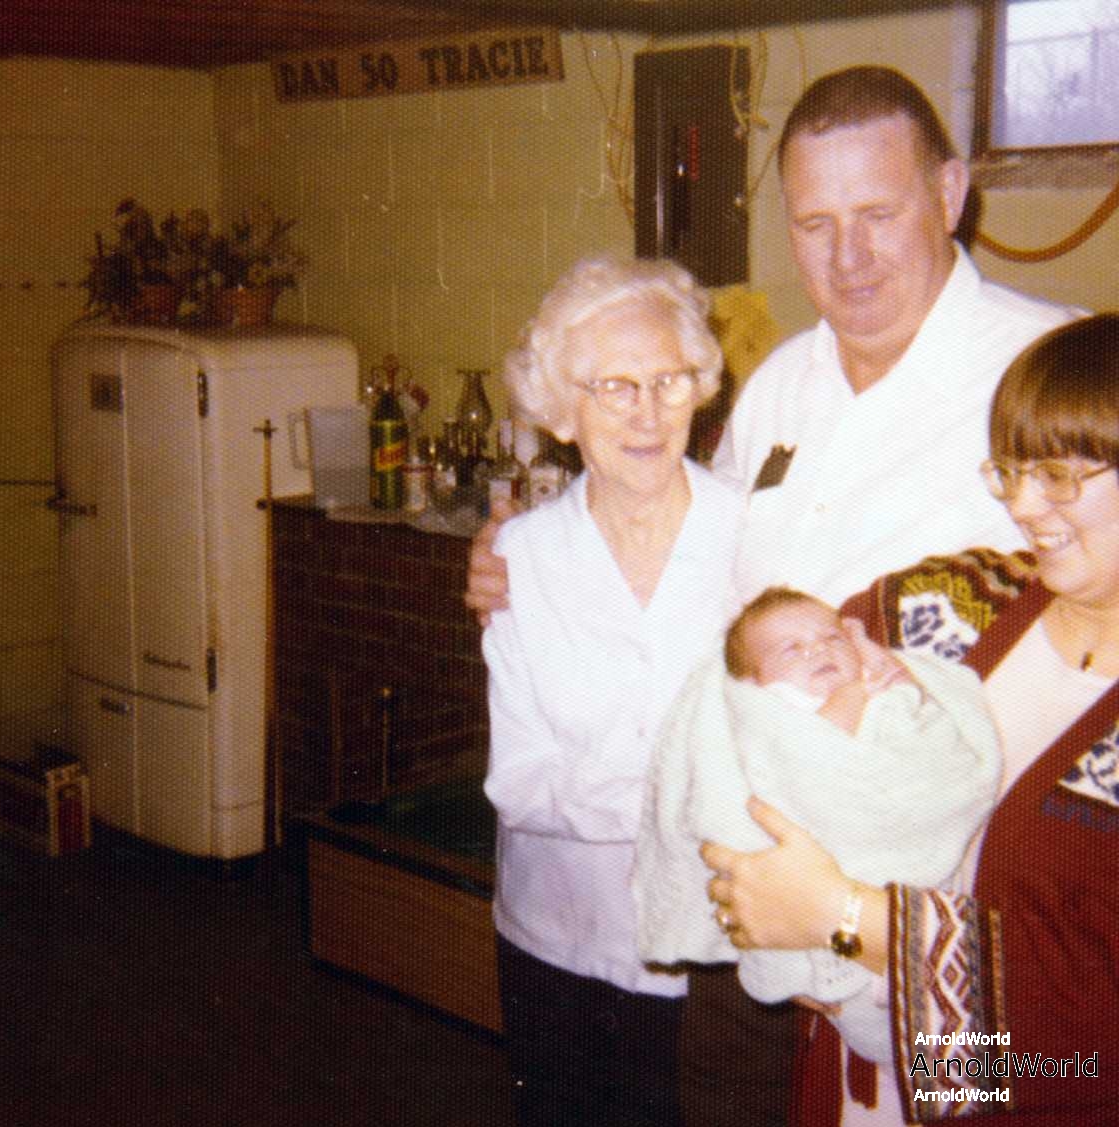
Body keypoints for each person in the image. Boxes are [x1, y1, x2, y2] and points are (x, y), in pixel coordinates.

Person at [466, 64, 1078, 1126]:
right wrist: (520, 550)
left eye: (878, 214)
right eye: (815, 223)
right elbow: (683, 548)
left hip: (934, 907)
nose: (849, 257)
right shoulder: (780, 389)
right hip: (745, 918)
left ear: (949, 193)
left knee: (989, 1102)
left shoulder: (1049, 369)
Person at [703, 312, 1119, 1125]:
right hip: (855, 1095)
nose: (1024, 505)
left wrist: (845, 917)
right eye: (1010, 471)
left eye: (1058, 474)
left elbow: (1095, 1036)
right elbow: (750, 677)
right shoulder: (959, 602)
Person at [482, 253, 742, 1127]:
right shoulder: (522, 557)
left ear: (700, 386)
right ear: (562, 408)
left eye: (669, 380)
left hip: (715, 953)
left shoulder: (752, 534)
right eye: (614, 387)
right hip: (556, 943)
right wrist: (685, 797)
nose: (647, 413)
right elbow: (519, 781)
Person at [633, 586, 1000, 1065]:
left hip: (897, 892)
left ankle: (937, 1045)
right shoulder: (776, 708)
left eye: (832, 639)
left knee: (945, 1043)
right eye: (791, 650)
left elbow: (932, 744)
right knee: (898, 1033)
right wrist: (855, 692)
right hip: (820, 897)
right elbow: (813, 752)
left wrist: (888, 686)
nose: (818, 652)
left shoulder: (877, 682)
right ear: (754, 679)